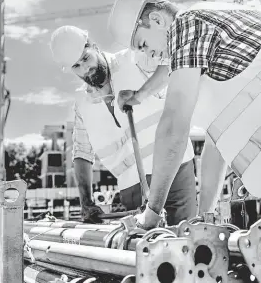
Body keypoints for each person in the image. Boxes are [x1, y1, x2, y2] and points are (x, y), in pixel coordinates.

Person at [108, 0, 261, 230]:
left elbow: (172, 128)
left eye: (143, 44)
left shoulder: (186, 26)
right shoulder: (207, 41)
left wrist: (152, 213)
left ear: (156, 19)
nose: (150, 55)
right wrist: (205, 218)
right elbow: (217, 145)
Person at [50, 25, 197, 225]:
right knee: (145, 248)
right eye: (77, 66)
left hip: (174, 171)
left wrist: (140, 94)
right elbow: (82, 154)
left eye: (86, 58)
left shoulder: (133, 58)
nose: (85, 69)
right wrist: (86, 202)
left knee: (185, 238)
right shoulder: (82, 105)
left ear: (93, 45)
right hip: (131, 187)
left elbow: (170, 65)